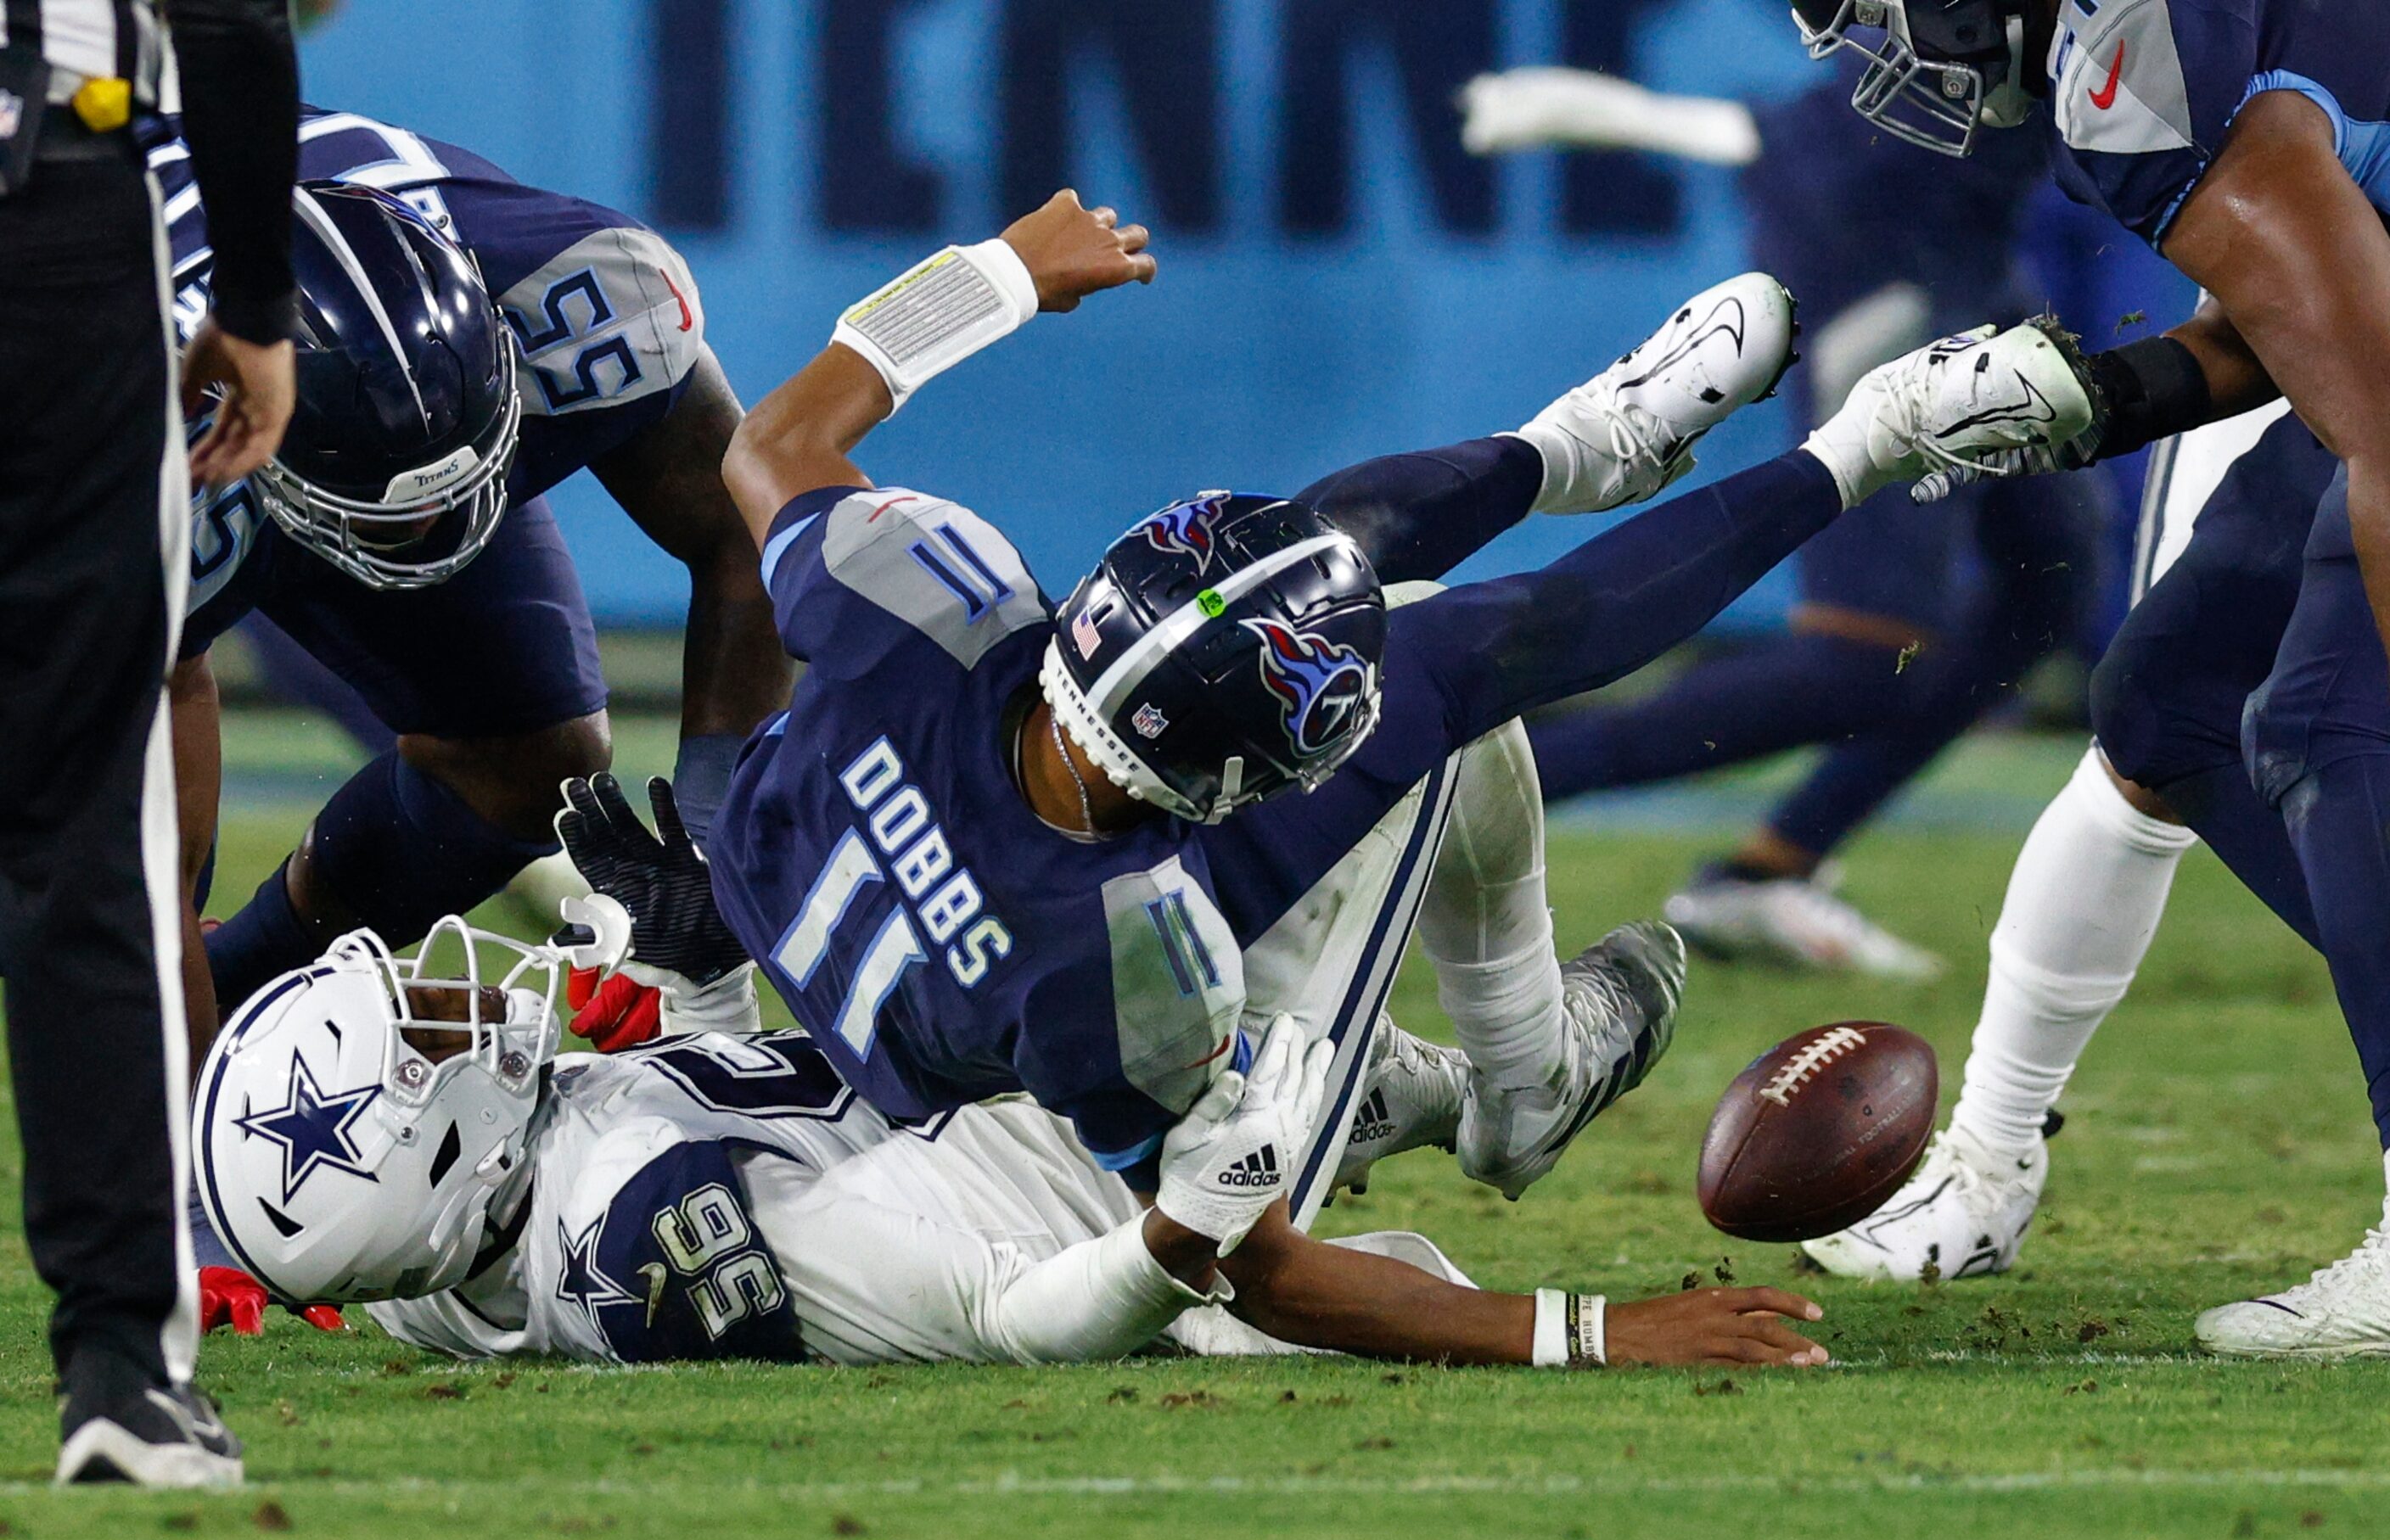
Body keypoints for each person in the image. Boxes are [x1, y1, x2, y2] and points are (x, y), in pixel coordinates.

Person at [593, 184, 2090, 1285]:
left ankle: (1578, 444)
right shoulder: (1127, 935)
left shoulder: (936, 655)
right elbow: (1216, 1232)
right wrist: (1862, 447)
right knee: (1450, 679)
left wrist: (1002, 268)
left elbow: (767, 446)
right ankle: (1513, 1083)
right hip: (1028, 1136)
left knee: (1319, 600)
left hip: (838, 932)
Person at [1788, 0, 2390, 1358]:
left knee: (2317, 721)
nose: (1893, 41)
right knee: (2168, 701)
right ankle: (1989, 1168)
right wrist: (2085, 403)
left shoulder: (2129, 68)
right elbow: (2288, 308)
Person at [190, 921, 1833, 1369]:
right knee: (1415, 691)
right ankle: (1519, 1073)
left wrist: (691, 963)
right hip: (1125, 1137)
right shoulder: (659, 1229)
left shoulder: (432, 1264)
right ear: (434, 1158)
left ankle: (1430, 1085)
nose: (454, 999)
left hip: (1008, 1086)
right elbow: (1015, 1311)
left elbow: (773, 1102)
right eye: (425, 1039)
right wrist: (1587, 1333)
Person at [150, 106, 786, 1040]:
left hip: (327, 396)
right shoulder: (147, 489)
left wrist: (707, 849)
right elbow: (149, 891)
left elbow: (744, 530)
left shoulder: (588, 291)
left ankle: (252, 982)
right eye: (396, 516)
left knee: (535, 759)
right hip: (130, 436)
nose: (432, 533)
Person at [1461, 69, 2107, 982]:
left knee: (2049, 574)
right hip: (1884, 268)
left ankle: (1768, 870)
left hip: (1961, 254)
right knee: (1862, 659)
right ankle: (1436, 786)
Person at [0, 0, 295, 1487]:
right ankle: (121, 1366)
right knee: (79, 819)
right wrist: (253, 298)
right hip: (48, 197)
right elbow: (233, 14)